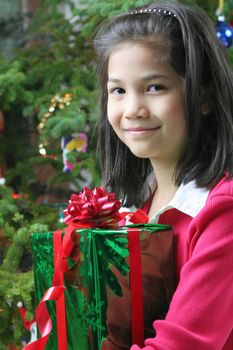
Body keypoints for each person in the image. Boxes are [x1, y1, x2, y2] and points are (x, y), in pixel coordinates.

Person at [93, 0, 233, 349]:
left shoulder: (223, 210)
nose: (132, 110)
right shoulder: (132, 208)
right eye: (118, 91)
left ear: (203, 96)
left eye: (154, 87)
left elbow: (183, 344)